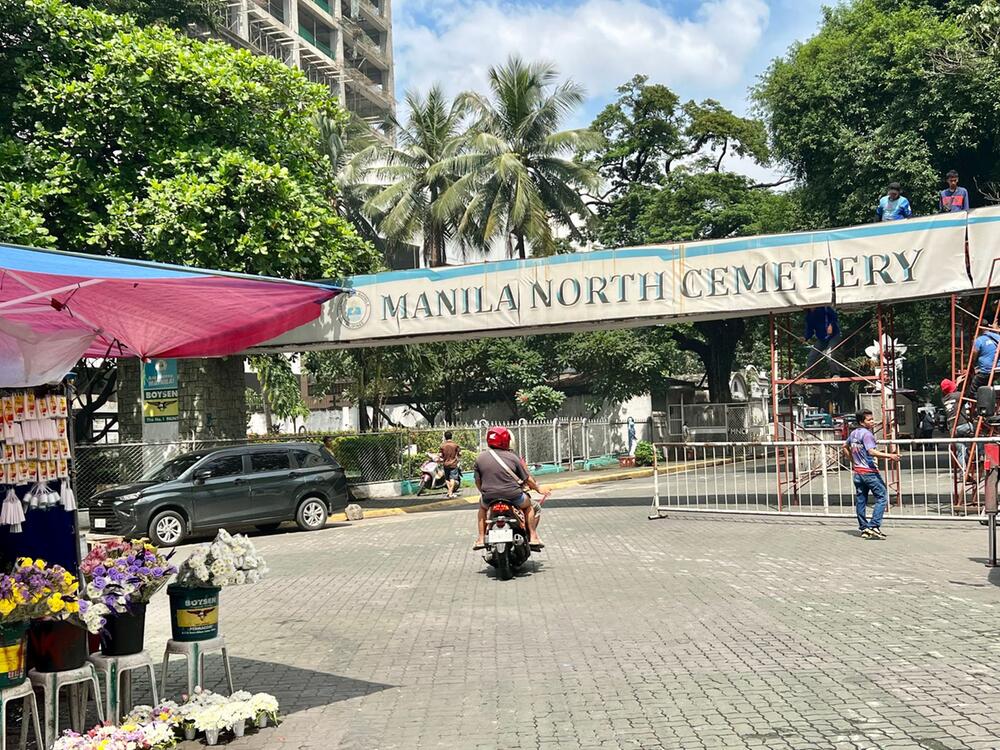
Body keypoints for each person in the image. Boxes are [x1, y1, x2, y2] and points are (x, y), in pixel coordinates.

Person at [472, 426, 543, 551]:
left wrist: (485, 493)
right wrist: (538, 489)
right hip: (514, 496)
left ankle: (481, 538)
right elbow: (527, 479)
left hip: (489, 498)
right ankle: (533, 536)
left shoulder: (480, 458)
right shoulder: (513, 457)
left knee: (482, 508)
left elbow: (478, 482)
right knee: (533, 507)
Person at [844, 409, 900, 540]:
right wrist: (890, 456)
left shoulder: (853, 433)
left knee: (861, 500)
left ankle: (864, 528)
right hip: (869, 472)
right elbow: (871, 452)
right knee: (882, 496)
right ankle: (874, 525)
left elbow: (844, 447)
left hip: (858, 473)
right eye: (869, 420)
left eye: (872, 419)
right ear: (861, 422)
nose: (872, 422)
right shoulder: (867, 434)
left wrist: (853, 461)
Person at [942, 378, 974, 474]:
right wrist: (959, 382)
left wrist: (955, 383)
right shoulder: (957, 396)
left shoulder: (944, 399)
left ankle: (963, 471)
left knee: (961, 451)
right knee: (979, 431)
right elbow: (968, 392)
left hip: (953, 429)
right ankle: (980, 453)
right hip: (963, 425)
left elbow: (951, 392)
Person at [803, 306, 842, 373]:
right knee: (812, 354)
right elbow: (810, 330)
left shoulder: (825, 308)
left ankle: (835, 373)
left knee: (829, 353)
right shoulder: (809, 316)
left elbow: (834, 316)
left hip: (833, 336)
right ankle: (808, 374)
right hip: (822, 339)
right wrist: (805, 337)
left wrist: (831, 325)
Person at [970, 326, 1000, 391]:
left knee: (973, 387)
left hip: (987, 370)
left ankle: (978, 400)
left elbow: (974, 353)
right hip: (998, 368)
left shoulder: (979, 339)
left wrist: (973, 363)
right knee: (988, 383)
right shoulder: (997, 336)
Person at [439, 430, 462, 499]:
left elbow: (440, 455)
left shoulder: (442, 445)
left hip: (445, 464)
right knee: (453, 478)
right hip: (453, 464)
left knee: (447, 478)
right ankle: (450, 493)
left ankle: (449, 492)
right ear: (451, 437)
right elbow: (460, 454)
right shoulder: (455, 445)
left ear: (445, 437)